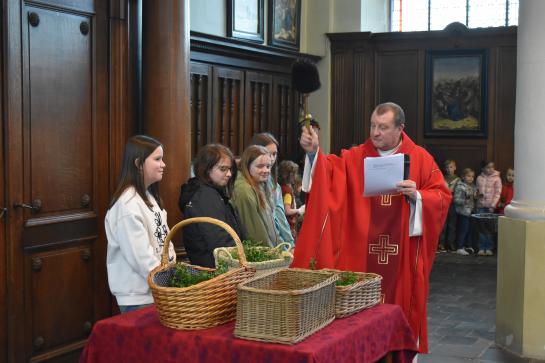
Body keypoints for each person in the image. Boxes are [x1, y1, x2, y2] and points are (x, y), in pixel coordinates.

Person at [293, 102, 451, 353]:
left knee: (399, 305)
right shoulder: (355, 157)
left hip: (402, 254)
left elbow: (441, 197)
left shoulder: (420, 158)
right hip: (359, 254)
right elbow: (328, 174)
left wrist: (418, 196)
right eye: (373, 126)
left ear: (400, 128)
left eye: (383, 127)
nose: (375, 133)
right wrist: (314, 153)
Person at [105, 135, 176, 314]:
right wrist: (168, 280)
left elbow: (165, 240)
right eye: (157, 159)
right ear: (138, 163)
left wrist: (173, 271)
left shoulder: (149, 196)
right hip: (138, 296)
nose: (163, 164)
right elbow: (141, 258)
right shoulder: (128, 204)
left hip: (157, 290)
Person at [178, 144, 247, 268]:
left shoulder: (210, 192)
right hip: (214, 271)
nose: (229, 174)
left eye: (230, 169)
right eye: (223, 169)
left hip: (218, 267)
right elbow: (220, 243)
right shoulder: (205, 195)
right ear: (207, 169)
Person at [250, 133, 295, 246]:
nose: (271, 158)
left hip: (281, 242)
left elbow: (280, 216)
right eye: (267, 154)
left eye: (274, 154)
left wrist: (289, 243)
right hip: (267, 245)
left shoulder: (273, 182)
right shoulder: (249, 185)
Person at [232, 145, 280, 247]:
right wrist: (272, 255)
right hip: (261, 257)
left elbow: (271, 227)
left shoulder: (260, 184)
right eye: (260, 166)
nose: (266, 170)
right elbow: (255, 232)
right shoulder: (243, 190)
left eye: (268, 166)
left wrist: (281, 249)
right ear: (247, 166)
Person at [475, 161, 501, 256]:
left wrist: (493, 205)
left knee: (489, 229)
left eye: (492, 167)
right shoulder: (479, 178)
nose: (490, 169)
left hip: (490, 207)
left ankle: (489, 247)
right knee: (482, 228)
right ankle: (482, 247)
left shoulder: (497, 179)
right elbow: (476, 191)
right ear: (483, 169)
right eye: (488, 167)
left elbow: (497, 193)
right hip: (481, 206)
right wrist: (477, 197)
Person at [453, 168, 478, 256]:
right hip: (463, 212)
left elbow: (474, 197)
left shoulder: (473, 186)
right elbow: (456, 200)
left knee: (470, 230)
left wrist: (476, 196)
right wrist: (465, 200)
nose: (471, 178)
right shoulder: (460, 186)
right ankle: (459, 247)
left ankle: (468, 246)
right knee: (463, 230)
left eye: (472, 176)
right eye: (468, 176)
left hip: (471, 211)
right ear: (463, 177)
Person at [278, 160, 305, 239]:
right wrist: (299, 210)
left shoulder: (281, 187)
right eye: (295, 173)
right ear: (290, 175)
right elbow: (287, 210)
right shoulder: (287, 191)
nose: (296, 176)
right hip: (289, 226)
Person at [438, 159, 459, 252]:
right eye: (447, 167)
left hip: (454, 204)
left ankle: (451, 243)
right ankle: (441, 243)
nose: (449, 169)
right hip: (444, 203)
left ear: (455, 167)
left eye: (451, 167)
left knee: (452, 225)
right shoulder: (442, 178)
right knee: (443, 224)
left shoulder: (458, 179)